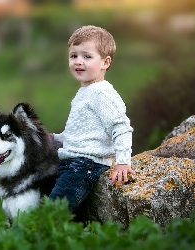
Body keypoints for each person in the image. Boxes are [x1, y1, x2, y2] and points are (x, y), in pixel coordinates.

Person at [49, 25, 135, 213]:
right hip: (73, 163)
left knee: (53, 212)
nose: (78, 61)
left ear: (105, 62)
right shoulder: (86, 91)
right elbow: (82, 133)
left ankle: (36, 238)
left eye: (87, 56)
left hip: (84, 166)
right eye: (74, 56)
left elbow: (121, 127)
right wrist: (55, 138)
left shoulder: (102, 93)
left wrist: (122, 162)